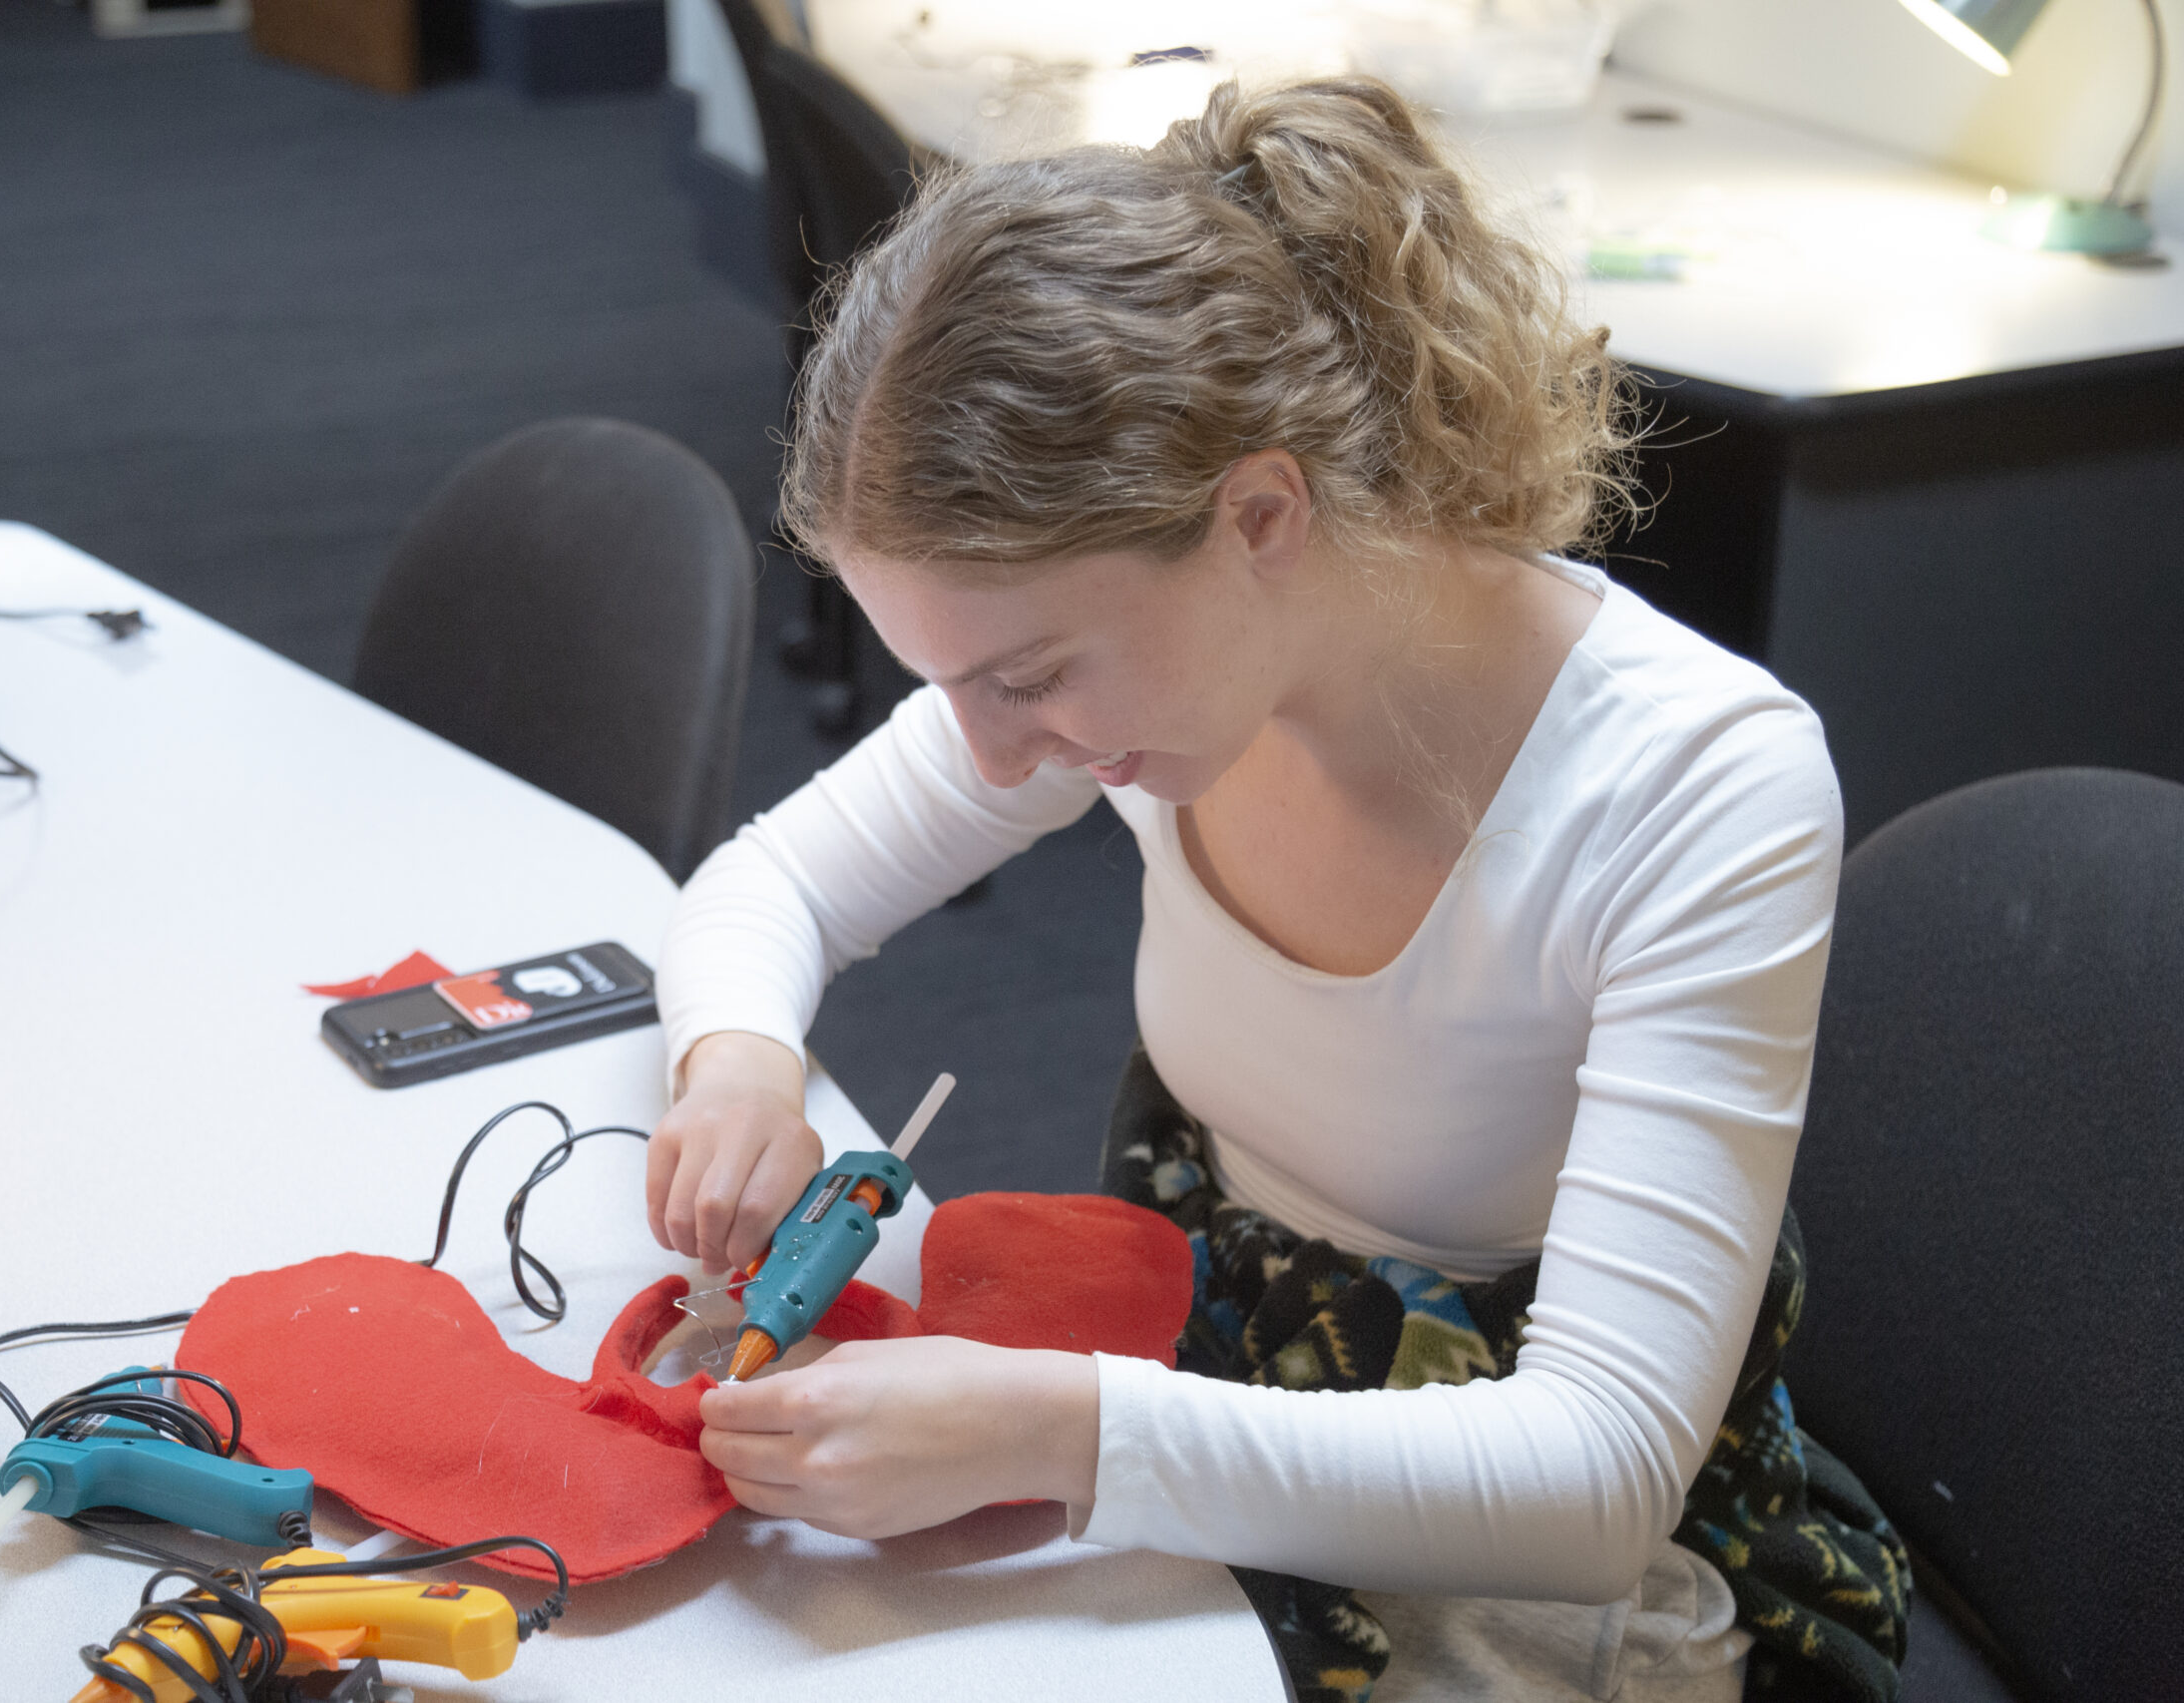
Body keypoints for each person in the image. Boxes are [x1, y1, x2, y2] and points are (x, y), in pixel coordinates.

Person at [646, 77, 1907, 1703]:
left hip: (1530, 1531)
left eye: (1025, 677)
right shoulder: (1160, 682)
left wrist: (1052, 1434)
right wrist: (738, 1065)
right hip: (1215, 1384)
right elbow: (770, 884)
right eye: (950, 684)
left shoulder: (1697, 785)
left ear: (1259, 515)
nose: (993, 751)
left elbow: (1595, 1478)